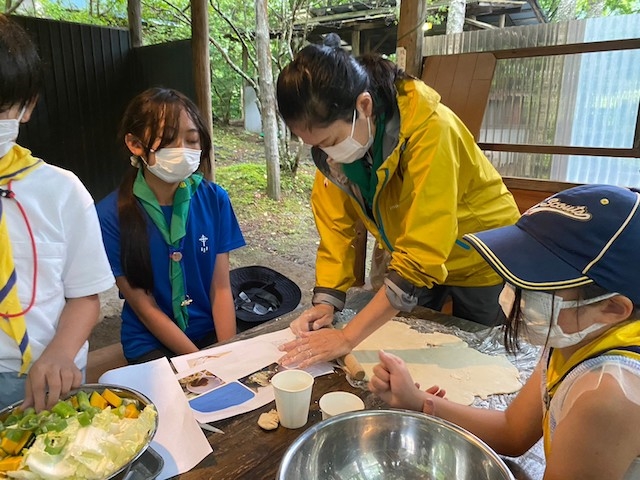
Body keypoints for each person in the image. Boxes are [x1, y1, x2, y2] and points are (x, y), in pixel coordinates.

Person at [276, 33, 520, 368]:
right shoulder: (332, 151)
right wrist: (326, 302)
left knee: (476, 359)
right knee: (408, 360)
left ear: (364, 106)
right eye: (314, 144)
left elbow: (423, 251)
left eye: (330, 140)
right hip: (410, 251)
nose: (326, 152)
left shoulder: (430, 129)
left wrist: (347, 338)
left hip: (481, 255)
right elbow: (336, 230)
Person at [369, 184, 640, 480]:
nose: (512, 294)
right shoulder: (576, 336)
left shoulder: (608, 394)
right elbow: (512, 432)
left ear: (612, 308)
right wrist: (417, 400)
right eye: (515, 274)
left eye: (538, 283)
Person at [0, 15, 115, 411]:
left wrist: (61, 352)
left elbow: (84, 295)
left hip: (52, 378)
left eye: (1, 107)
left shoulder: (62, 191)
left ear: (27, 106)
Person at [97, 87, 245, 364]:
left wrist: (227, 353)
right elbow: (144, 307)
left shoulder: (215, 199)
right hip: (150, 342)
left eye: (191, 140)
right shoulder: (109, 215)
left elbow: (221, 288)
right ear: (135, 144)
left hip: (210, 333)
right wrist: (201, 362)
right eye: (168, 140)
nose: (183, 150)